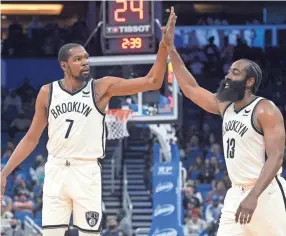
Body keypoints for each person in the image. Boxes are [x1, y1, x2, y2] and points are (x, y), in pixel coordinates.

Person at [0, 8, 176, 236]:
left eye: (86, 57)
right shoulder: (47, 92)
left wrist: (164, 45)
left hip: (87, 171)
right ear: (64, 65)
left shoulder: (102, 87)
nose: (85, 62)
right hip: (56, 170)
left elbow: (152, 81)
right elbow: (32, 138)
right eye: (78, 59)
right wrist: (4, 173)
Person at [161, 7, 286, 236]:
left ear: (249, 82)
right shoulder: (224, 105)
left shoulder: (265, 109)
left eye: (235, 73)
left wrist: (254, 196)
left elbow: (277, 157)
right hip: (236, 193)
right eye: (229, 71)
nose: (228, 76)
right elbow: (190, 88)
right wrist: (170, 47)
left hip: (266, 193)